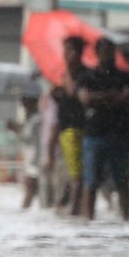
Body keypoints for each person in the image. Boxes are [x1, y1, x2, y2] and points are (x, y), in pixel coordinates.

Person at [77, 37, 129, 221]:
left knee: (122, 181)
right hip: (95, 133)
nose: (107, 55)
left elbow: (127, 97)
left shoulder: (125, 76)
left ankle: (126, 218)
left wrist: (100, 98)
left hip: (120, 134)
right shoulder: (88, 76)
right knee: (91, 181)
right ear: (97, 53)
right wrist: (111, 96)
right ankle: (89, 219)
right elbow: (85, 98)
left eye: (110, 51)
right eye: (104, 51)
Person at [44, 36, 91, 215]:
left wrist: (67, 76)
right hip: (64, 128)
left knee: (78, 175)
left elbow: (73, 93)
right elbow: (61, 101)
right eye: (64, 50)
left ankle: (75, 210)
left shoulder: (84, 74)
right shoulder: (64, 76)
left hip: (78, 128)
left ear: (78, 53)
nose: (65, 54)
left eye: (69, 50)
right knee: (71, 174)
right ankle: (73, 209)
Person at [7, 95, 43, 209]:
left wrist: (16, 130)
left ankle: (25, 210)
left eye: (24, 103)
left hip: (37, 159)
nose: (23, 106)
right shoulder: (33, 119)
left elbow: (29, 138)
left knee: (30, 186)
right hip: (34, 159)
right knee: (32, 187)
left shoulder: (37, 119)